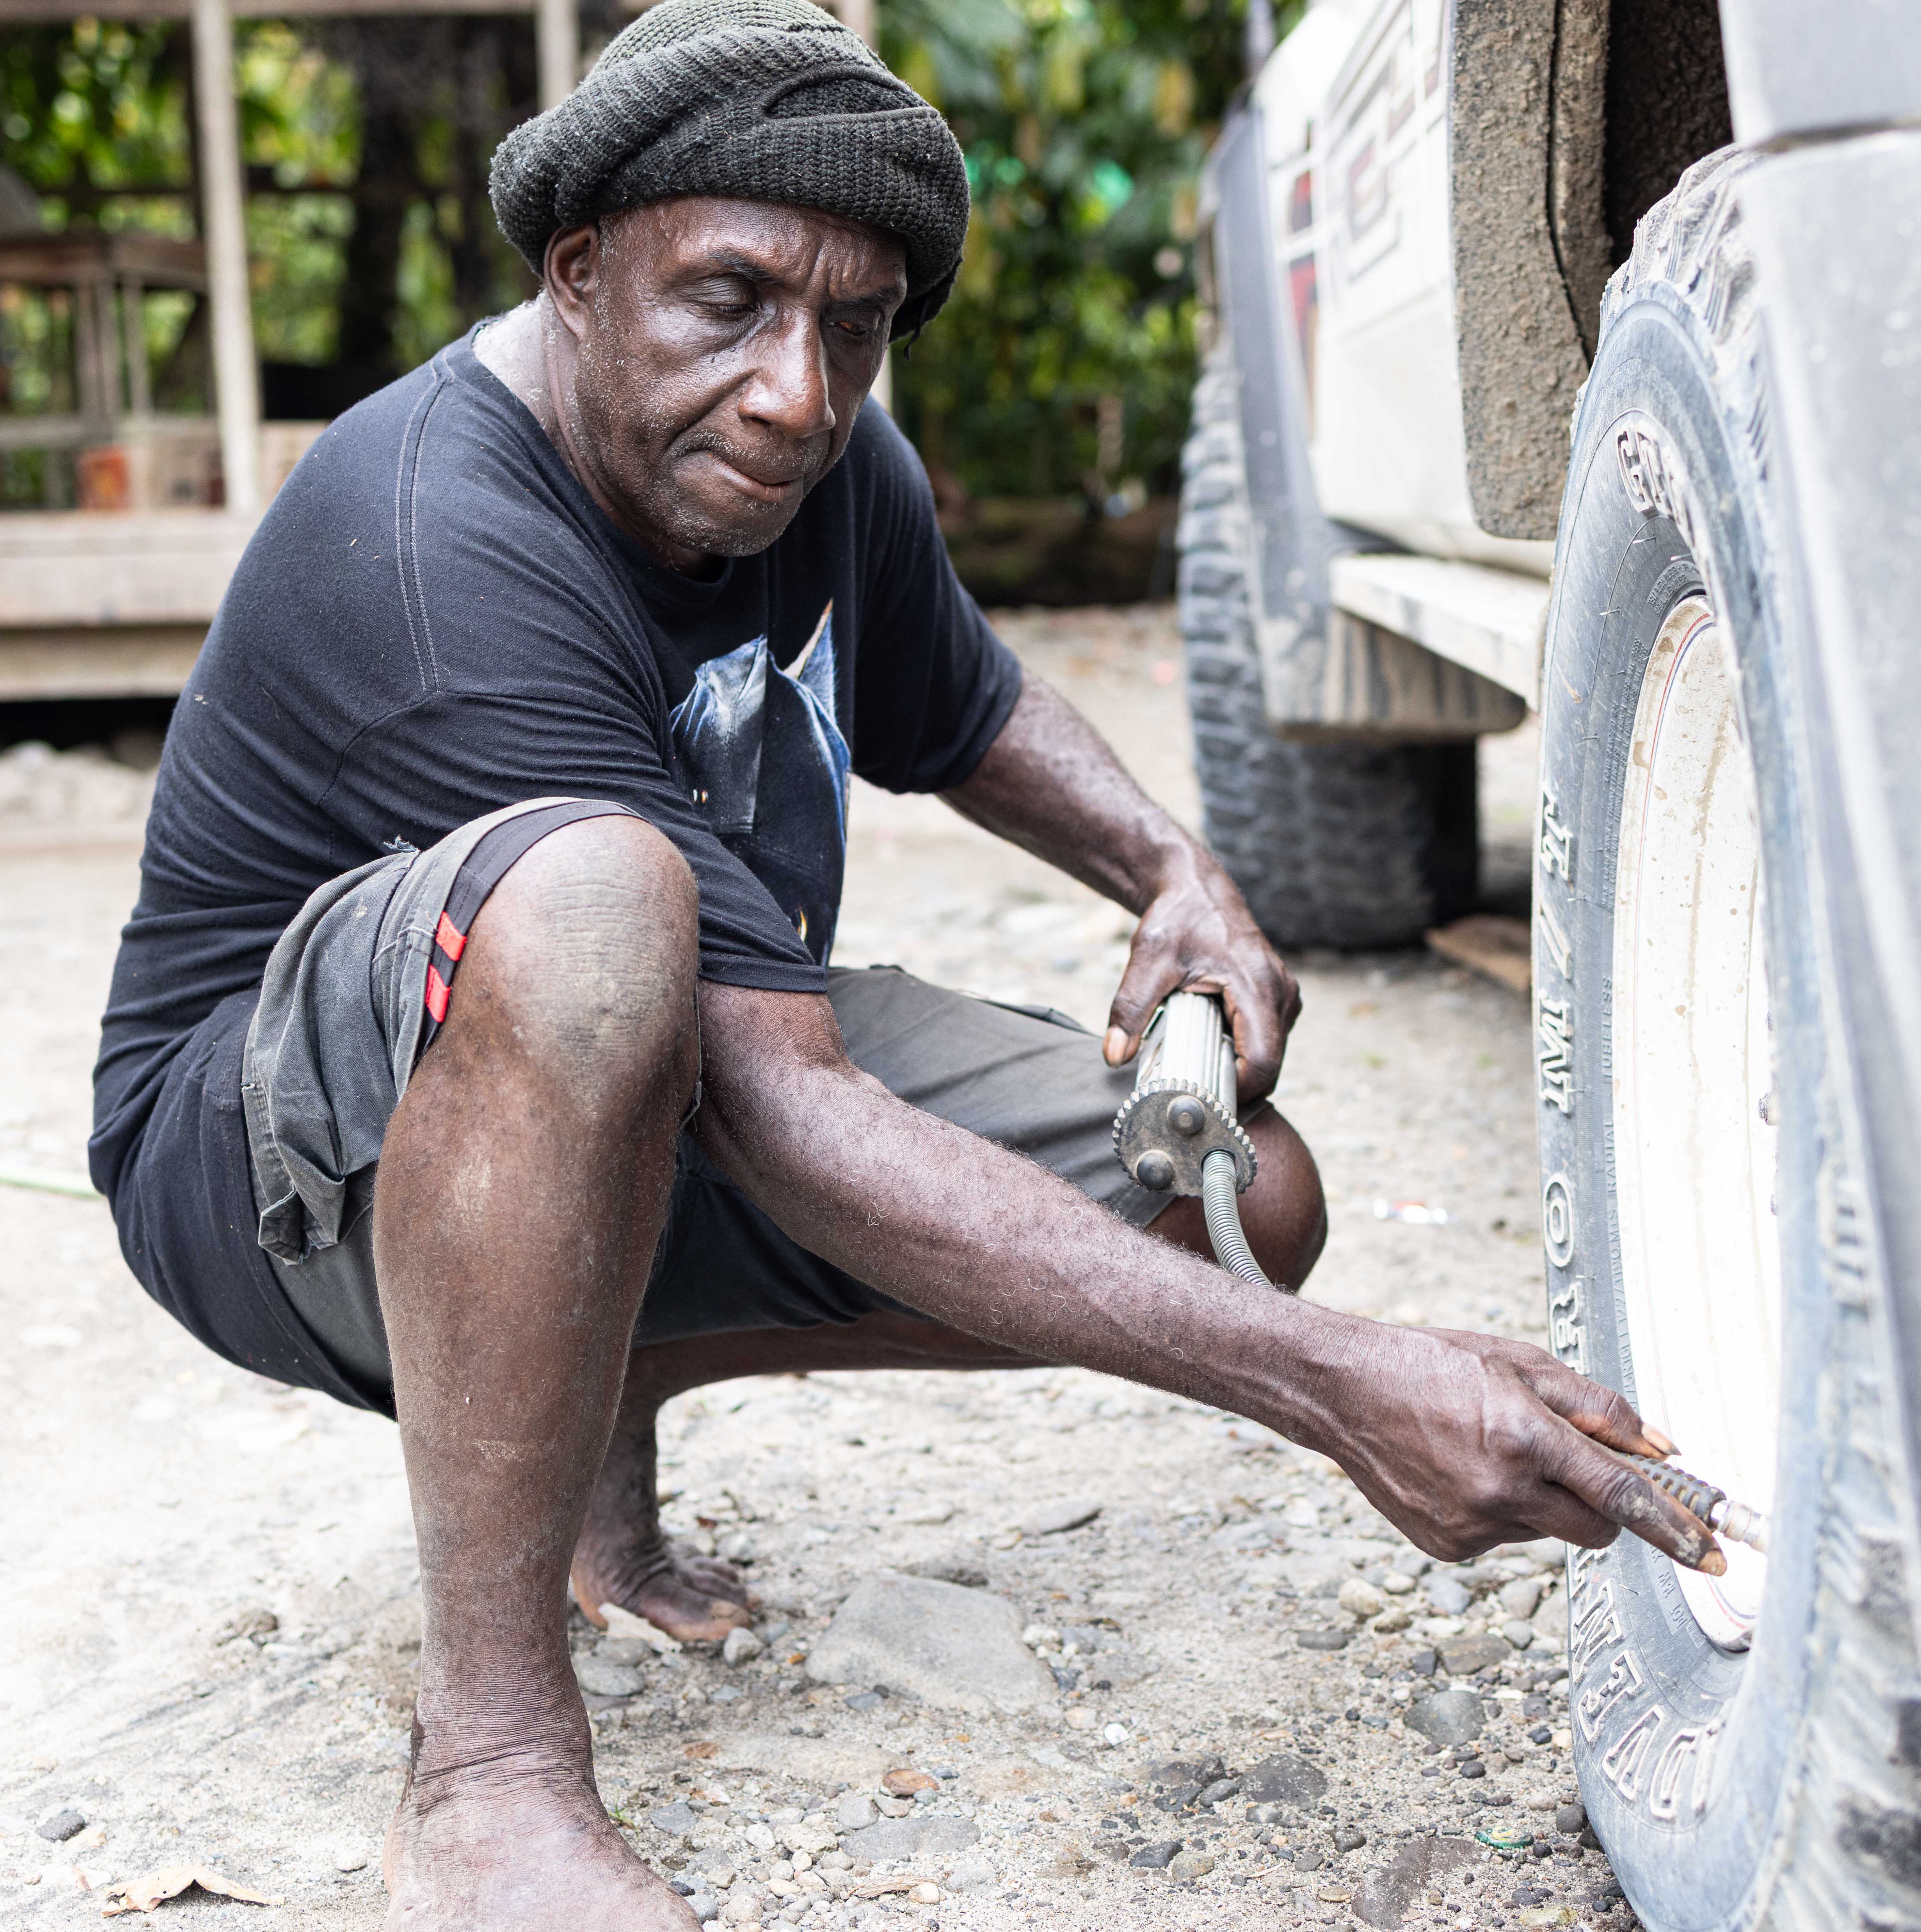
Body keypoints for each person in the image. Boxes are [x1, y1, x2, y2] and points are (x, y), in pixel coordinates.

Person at [90, 0, 1715, 1919]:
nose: (794, 386)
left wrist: (1173, 871)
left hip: (615, 1062)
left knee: (1230, 1195)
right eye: (731, 299)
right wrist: (1343, 1381)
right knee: (606, 912)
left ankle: (597, 1424)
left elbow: (965, 709)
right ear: (580, 272)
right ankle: (493, 1753)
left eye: (852, 328)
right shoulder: (436, 531)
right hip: (272, 1179)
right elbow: (778, 1101)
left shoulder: (813, 457)